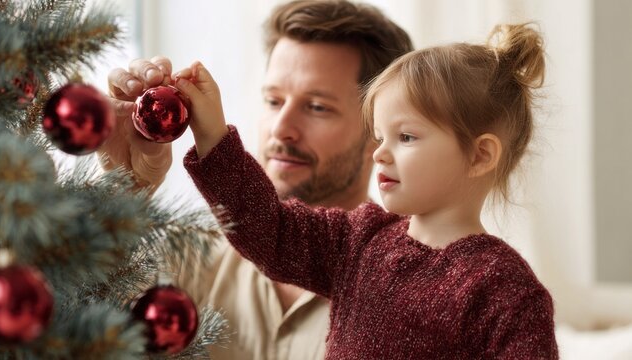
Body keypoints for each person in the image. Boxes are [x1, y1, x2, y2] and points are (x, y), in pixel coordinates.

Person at [169, 22, 559, 359]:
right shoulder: (359, 239)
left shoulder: (505, 291)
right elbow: (269, 228)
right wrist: (212, 135)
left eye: (405, 136)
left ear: (480, 156)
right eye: (379, 137)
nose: (381, 153)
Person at [99, 1, 413, 359]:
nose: (282, 128)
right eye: (273, 100)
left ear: (380, 129)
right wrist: (123, 194)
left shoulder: (410, 287)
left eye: (317, 107)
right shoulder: (193, 260)